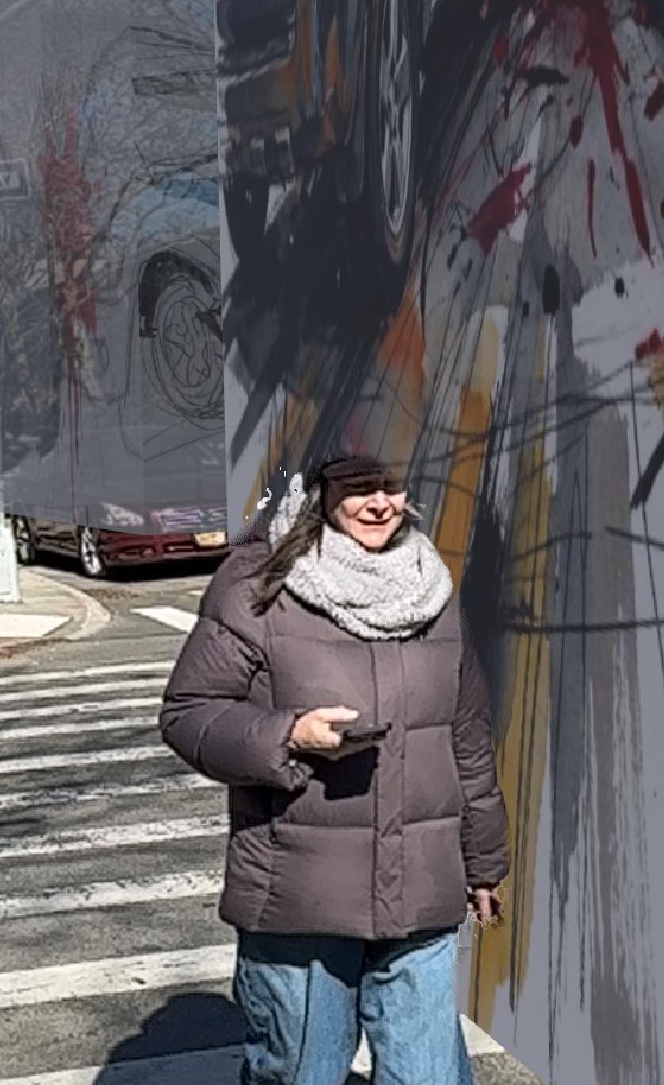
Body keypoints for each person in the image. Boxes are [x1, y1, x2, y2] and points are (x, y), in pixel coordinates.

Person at [160, 454, 509, 1085]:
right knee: (303, 1075)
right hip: (302, 895)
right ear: (320, 492)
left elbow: (467, 736)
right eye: (358, 488)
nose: (380, 503)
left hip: (420, 892)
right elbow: (188, 714)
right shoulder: (260, 585)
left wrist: (484, 863)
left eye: (391, 487)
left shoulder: (430, 586)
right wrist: (288, 735)